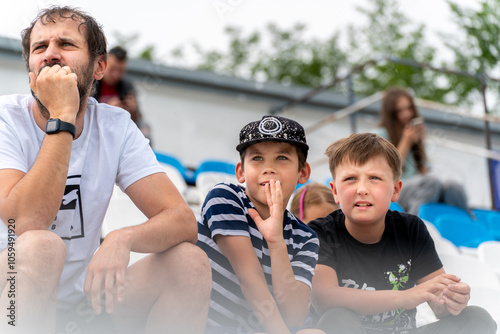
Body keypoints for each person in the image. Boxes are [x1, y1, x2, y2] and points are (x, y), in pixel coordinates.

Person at [0, 6, 211, 334]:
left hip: (79, 305)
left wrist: (121, 238)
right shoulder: (5, 117)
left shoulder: (116, 126)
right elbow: (25, 223)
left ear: (99, 66)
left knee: (189, 262)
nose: (51, 55)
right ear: (30, 69)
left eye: (66, 45)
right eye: (40, 48)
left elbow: (183, 221)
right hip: (9, 297)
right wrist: (63, 117)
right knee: (42, 246)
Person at [308, 132, 496, 334]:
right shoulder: (321, 232)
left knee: (477, 318)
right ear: (335, 191)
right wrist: (406, 297)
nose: (362, 188)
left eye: (374, 178)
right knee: (337, 318)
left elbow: (439, 305)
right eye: (350, 179)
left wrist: (451, 300)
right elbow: (324, 300)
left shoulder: (411, 229)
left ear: (396, 190)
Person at [197, 115, 323, 334]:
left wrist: (276, 243)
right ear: (241, 172)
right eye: (257, 158)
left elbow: (295, 314)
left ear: (303, 172)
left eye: (282, 158)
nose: (269, 168)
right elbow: (249, 277)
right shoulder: (226, 198)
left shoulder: (306, 238)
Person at [373, 87, 469, 215]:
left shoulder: (413, 135)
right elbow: (387, 171)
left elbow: (425, 172)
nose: (407, 114)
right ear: (391, 113)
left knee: (453, 186)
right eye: (400, 110)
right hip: (394, 190)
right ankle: (414, 224)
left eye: (409, 108)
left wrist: (418, 145)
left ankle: (467, 225)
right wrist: (406, 142)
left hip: (421, 189)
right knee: (431, 182)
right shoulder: (379, 136)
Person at [92, 45, 152, 144]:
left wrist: (133, 110)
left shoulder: (127, 87)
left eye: (120, 71)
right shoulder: (92, 83)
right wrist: (106, 110)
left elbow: (137, 120)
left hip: (119, 130)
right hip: (96, 130)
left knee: (145, 128)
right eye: (112, 69)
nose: (116, 75)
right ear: (104, 65)